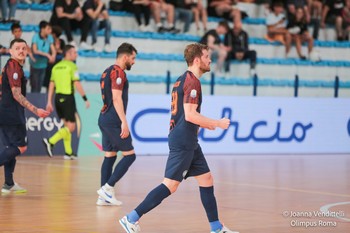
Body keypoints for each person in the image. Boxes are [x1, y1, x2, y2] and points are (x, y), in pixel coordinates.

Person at [119, 43, 238, 233]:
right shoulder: (192, 82)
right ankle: (131, 218)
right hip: (183, 140)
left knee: (206, 178)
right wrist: (216, 123)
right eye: (207, 57)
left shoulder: (182, 79)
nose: (210, 60)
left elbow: (187, 115)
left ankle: (216, 227)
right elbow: (190, 115)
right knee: (170, 185)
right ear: (197, 60)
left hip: (188, 140)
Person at [0, 38, 50, 194]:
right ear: (10, 51)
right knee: (21, 146)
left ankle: (8, 183)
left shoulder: (11, 66)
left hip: (6, 111)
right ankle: (8, 183)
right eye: (17, 48)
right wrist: (36, 110)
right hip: (11, 113)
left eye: (24, 48)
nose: (21, 51)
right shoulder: (13, 66)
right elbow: (16, 94)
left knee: (11, 147)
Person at [96, 43, 138, 206]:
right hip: (113, 120)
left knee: (110, 155)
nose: (133, 62)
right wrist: (124, 122)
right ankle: (107, 188)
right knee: (130, 155)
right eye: (133, 58)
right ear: (125, 56)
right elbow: (116, 98)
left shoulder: (107, 71)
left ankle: (103, 196)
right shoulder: (118, 73)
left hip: (104, 117)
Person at [43, 45, 90, 160]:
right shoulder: (72, 66)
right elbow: (77, 83)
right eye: (74, 52)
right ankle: (51, 141)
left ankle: (68, 152)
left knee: (66, 126)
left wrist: (49, 101)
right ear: (68, 54)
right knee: (71, 127)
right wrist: (85, 98)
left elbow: (51, 85)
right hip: (68, 98)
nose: (76, 54)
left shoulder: (56, 67)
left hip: (57, 98)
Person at [29, 20, 56, 93]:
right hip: (35, 65)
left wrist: (53, 56)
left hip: (43, 65)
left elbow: (53, 49)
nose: (50, 31)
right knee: (34, 86)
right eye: (48, 29)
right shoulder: (36, 37)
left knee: (40, 86)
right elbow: (35, 50)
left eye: (50, 29)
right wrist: (47, 55)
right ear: (42, 29)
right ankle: (32, 103)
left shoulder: (50, 37)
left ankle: (37, 103)